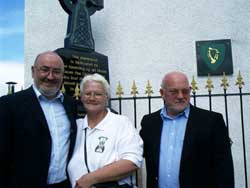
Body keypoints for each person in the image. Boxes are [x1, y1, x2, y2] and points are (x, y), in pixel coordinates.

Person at [140, 71, 234, 188]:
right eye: (174, 91)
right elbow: (136, 154)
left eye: (185, 91)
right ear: (162, 93)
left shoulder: (211, 121)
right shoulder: (149, 122)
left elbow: (224, 169)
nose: (180, 96)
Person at [0, 51, 77, 188]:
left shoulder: (70, 104)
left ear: (62, 75)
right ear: (33, 71)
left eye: (57, 71)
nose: (50, 76)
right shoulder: (9, 104)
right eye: (45, 70)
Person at [67, 73, 143, 188]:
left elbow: (132, 161)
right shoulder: (76, 126)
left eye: (98, 94)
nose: (92, 98)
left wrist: (90, 179)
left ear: (106, 97)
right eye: (87, 93)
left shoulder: (120, 123)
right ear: (81, 96)